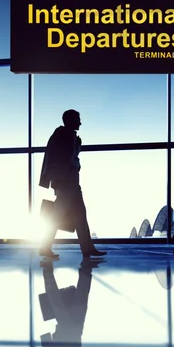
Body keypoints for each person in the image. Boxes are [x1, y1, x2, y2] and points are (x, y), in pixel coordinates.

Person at [39, 109, 106, 259]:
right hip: (66, 183)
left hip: (70, 182)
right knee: (62, 215)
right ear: (70, 120)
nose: (80, 122)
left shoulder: (65, 135)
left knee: (78, 215)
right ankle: (85, 248)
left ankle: (87, 248)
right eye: (78, 119)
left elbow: (67, 158)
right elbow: (62, 160)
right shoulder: (64, 135)